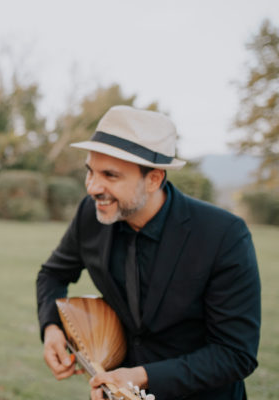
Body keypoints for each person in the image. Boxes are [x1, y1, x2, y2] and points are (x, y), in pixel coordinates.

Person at [35, 105, 261, 400]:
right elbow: (53, 273)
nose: (92, 187)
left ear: (154, 179)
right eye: (90, 171)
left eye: (110, 175)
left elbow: (235, 353)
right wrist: (52, 329)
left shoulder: (223, 234)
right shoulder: (90, 215)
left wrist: (142, 376)